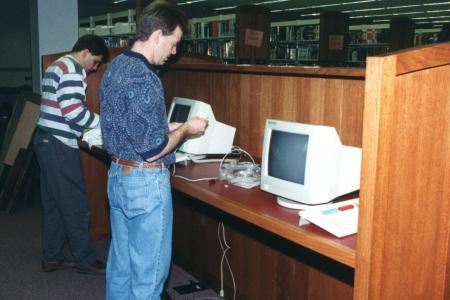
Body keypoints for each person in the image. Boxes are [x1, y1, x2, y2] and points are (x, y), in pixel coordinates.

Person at [99, 1, 208, 299]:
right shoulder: (146, 78)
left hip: (118, 175)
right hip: (145, 184)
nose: (174, 52)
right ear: (158, 35)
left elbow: (127, 125)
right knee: (149, 276)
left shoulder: (116, 65)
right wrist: (186, 129)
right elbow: (153, 151)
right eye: (173, 43)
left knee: (121, 267)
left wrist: (163, 126)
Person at [33, 34, 109, 275]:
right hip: (58, 144)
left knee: (54, 202)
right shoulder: (72, 70)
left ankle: (52, 256)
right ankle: (85, 260)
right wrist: (103, 123)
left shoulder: (57, 64)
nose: (95, 68)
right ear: (85, 52)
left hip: (45, 139)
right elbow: (74, 112)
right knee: (75, 203)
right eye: (95, 61)